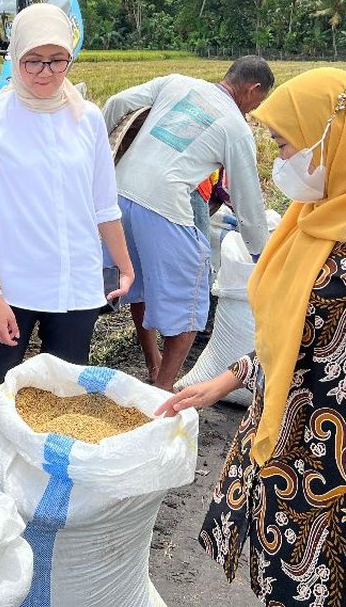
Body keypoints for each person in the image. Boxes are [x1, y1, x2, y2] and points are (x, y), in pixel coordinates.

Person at [159, 68, 346, 606]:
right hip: (292, 462)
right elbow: (305, 334)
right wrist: (226, 379)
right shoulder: (317, 217)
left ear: (342, 137)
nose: (280, 162)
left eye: (286, 145)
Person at [0, 3, 134, 487]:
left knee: (65, 397)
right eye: (33, 61)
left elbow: (104, 204)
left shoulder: (86, 119)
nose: (45, 72)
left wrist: (124, 267)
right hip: (11, 285)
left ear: (70, 58)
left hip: (74, 284)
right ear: (15, 58)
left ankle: (47, 499)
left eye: (57, 60)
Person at [101, 58, 273, 391]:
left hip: (118, 197)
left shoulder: (177, 82)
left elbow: (116, 103)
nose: (253, 111)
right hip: (164, 208)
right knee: (190, 307)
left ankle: (153, 366)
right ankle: (162, 394)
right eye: (259, 102)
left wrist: (100, 156)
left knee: (139, 283)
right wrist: (260, 256)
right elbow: (249, 202)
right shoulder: (235, 128)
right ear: (252, 90)